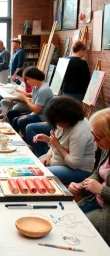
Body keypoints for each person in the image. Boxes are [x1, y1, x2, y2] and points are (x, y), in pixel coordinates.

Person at [69, 108, 110, 246]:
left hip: (106, 210)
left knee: (80, 232)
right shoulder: (106, 149)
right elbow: (98, 173)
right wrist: (82, 184)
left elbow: (74, 162)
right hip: (97, 200)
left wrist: (101, 190)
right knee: (68, 219)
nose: (94, 140)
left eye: (98, 136)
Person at [35, 96, 95, 184]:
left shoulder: (79, 132)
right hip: (59, 161)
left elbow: (74, 164)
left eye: (58, 122)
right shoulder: (64, 121)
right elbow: (56, 141)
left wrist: (57, 146)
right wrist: (48, 156)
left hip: (78, 170)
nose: (57, 125)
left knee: (40, 175)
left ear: (64, 120)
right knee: (33, 166)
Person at [7, 67, 53, 137]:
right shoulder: (36, 87)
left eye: (28, 79)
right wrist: (21, 95)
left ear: (34, 77)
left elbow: (36, 110)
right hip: (35, 113)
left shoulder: (43, 90)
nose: (27, 82)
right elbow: (32, 98)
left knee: (20, 121)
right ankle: (17, 137)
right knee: (11, 113)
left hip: (42, 116)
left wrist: (25, 99)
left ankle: (23, 139)